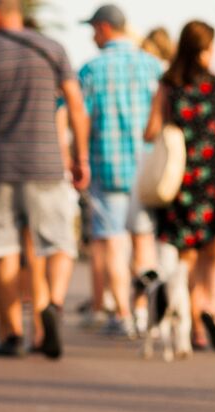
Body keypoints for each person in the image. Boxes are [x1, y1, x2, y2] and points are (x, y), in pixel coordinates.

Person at [0, 0, 89, 358]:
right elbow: (77, 108)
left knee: (3, 251)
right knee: (55, 244)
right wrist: (80, 158)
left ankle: (12, 334)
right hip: (46, 165)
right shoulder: (53, 48)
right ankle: (53, 306)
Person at [143, 21, 215, 352]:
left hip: (184, 178)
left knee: (188, 253)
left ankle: (195, 324)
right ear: (207, 49)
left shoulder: (168, 86)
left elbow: (150, 131)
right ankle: (211, 305)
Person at [79, 4, 165, 339]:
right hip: (146, 169)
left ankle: (123, 314)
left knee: (114, 242)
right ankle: (144, 311)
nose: (92, 37)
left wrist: (78, 158)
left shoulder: (92, 70)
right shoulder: (152, 66)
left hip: (107, 166)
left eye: (93, 30)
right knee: (144, 242)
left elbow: (80, 119)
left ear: (103, 28)